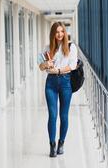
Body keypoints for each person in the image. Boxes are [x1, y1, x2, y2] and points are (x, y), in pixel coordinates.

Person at [37, 22, 78, 157]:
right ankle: (52, 145)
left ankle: (61, 142)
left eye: (62, 32)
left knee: (64, 116)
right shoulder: (47, 48)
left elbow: (72, 66)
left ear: (65, 33)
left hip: (66, 82)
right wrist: (46, 64)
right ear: (53, 34)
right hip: (51, 83)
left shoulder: (71, 47)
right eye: (57, 32)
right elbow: (41, 67)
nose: (59, 34)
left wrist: (58, 70)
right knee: (52, 115)